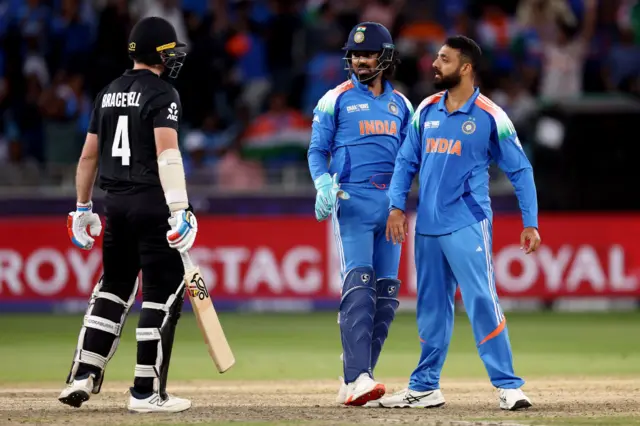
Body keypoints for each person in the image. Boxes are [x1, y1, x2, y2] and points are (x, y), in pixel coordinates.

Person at [381, 35, 541, 410]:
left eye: (444, 59)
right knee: (431, 307)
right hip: (428, 228)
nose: (434, 64)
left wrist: (530, 221)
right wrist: (396, 206)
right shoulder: (426, 109)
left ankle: (508, 385)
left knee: (482, 299)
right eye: (436, 57)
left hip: (467, 223)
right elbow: (406, 161)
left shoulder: (490, 115)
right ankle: (425, 386)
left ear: (465, 67)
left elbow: (520, 170)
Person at [58, 16, 197, 413]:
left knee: (114, 286)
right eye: (170, 51)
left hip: (114, 205)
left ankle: (83, 373)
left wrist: (82, 207)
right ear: (158, 53)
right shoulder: (164, 93)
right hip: (153, 202)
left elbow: (88, 156)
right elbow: (167, 154)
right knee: (162, 292)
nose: (175, 58)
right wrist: (180, 208)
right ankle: (145, 392)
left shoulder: (106, 92)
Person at [307, 21, 414, 406]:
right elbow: (317, 151)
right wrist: (322, 184)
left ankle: (357, 376)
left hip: (391, 210)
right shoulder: (333, 99)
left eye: (367, 54)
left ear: (384, 58)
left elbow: (410, 159)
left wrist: (401, 205)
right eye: (354, 54)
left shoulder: (403, 105)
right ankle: (358, 377)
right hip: (352, 202)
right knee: (359, 285)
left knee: (386, 295)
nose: (359, 60)